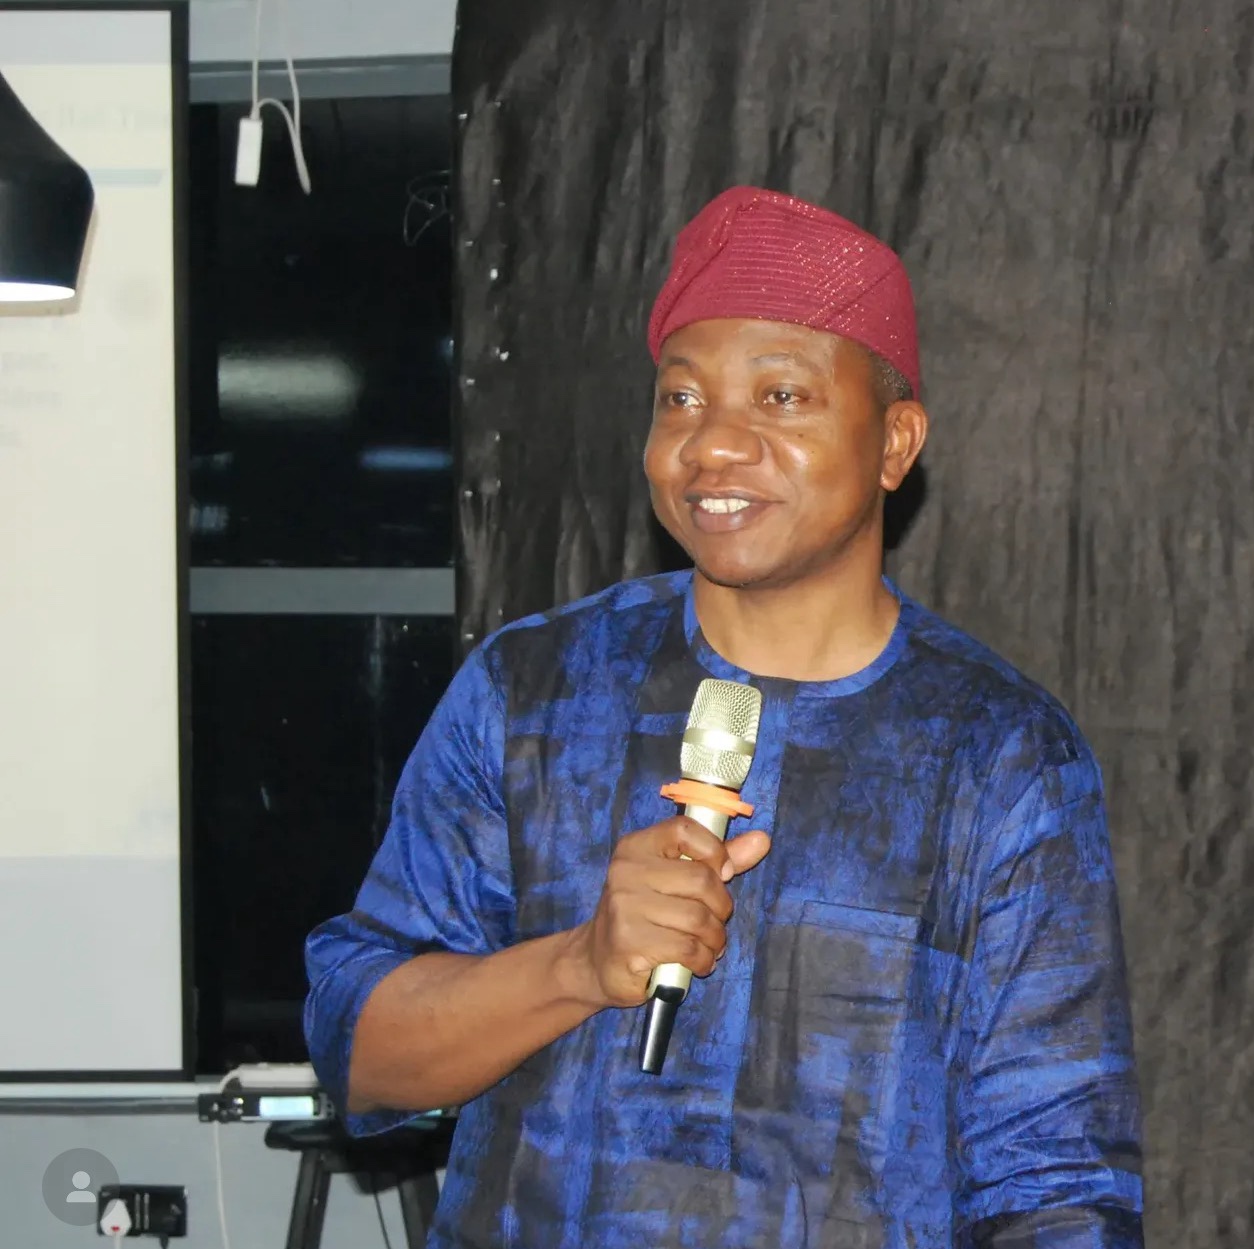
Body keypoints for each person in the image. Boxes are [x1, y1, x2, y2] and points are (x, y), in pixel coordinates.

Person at [304, 186, 1144, 1248]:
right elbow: (359, 1048)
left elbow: (1060, 1185)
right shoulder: (532, 691)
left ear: (895, 444)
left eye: (782, 397)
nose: (712, 447)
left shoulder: (1000, 754)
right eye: (681, 400)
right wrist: (578, 965)